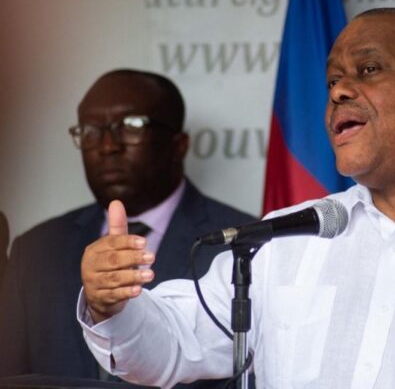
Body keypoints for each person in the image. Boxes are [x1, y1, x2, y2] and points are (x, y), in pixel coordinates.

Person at [78, 10, 395, 388]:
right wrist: (110, 304)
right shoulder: (285, 238)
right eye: (332, 78)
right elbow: (169, 345)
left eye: (368, 70)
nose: (339, 91)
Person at [0, 69, 255, 386]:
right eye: (91, 130)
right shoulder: (36, 249)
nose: (107, 146)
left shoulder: (245, 240)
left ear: (179, 145)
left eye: (132, 126)